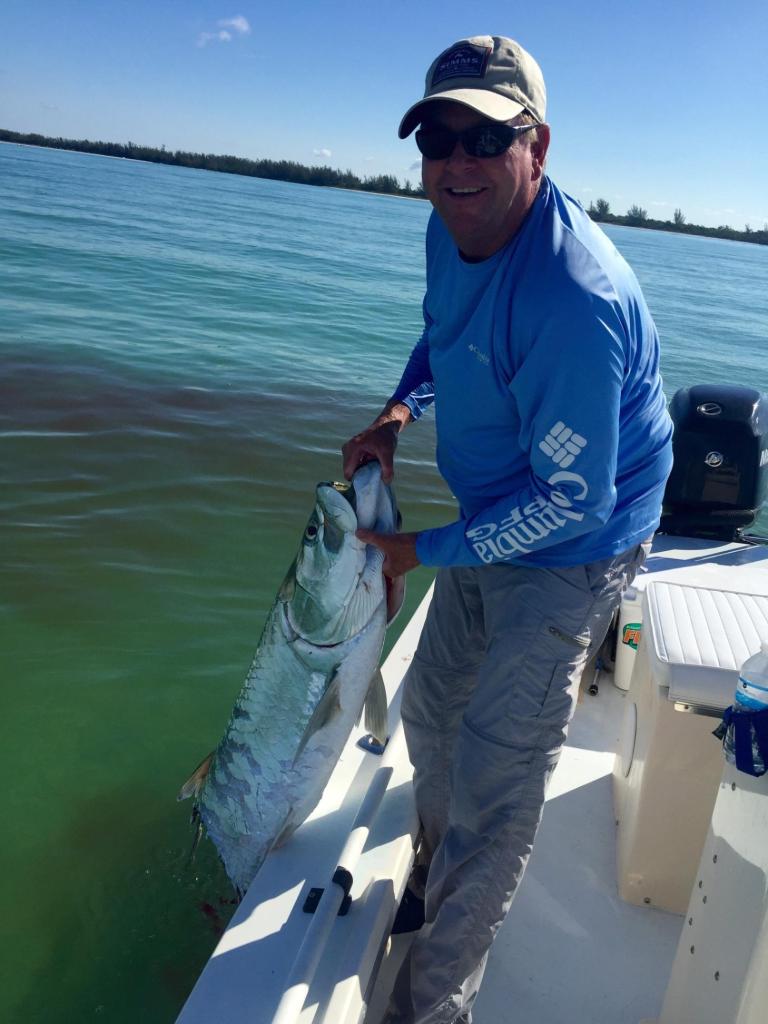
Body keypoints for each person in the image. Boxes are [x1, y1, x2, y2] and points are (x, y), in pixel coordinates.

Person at [342, 35, 673, 1024]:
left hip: (579, 539)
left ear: (538, 147)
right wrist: (401, 412)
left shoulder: (576, 297)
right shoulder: (452, 225)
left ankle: (430, 1007)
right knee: (431, 717)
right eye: (438, 137)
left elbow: (572, 502)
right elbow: (444, 330)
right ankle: (432, 878)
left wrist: (419, 549)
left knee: (495, 776)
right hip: (495, 511)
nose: (456, 162)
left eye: (486, 139)